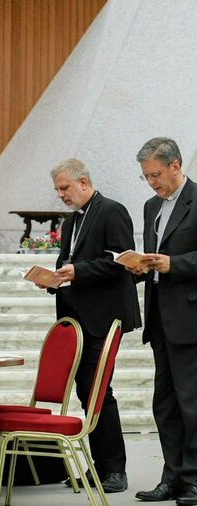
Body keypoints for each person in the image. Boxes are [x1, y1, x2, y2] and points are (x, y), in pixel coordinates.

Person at [45, 159, 139, 493]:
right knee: (87, 391)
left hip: (104, 317)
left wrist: (78, 272)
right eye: (58, 190)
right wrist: (53, 276)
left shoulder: (112, 211)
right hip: (76, 318)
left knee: (99, 391)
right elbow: (66, 261)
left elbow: (121, 261)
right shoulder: (72, 221)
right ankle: (100, 465)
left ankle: (115, 470)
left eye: (65, 188)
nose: (61, 195)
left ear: (83, 182)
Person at [130, 138, 197, 505]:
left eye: (156, 174)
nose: (152, 182)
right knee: (166, 405)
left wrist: (176, 265)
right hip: (160, 319)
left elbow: (181, 259)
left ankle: (194, 480)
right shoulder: (151, 206)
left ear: (176, 165)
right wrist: (139, 267)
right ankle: (171, 477)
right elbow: (157, 257)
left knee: (193, 404)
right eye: (146, 177)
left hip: (190, 319)